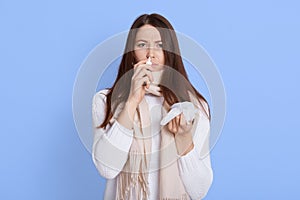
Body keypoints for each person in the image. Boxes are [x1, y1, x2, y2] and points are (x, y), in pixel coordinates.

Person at [92, 13, 213, 200]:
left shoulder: (194, 106)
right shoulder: (105, 101)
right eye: (141, 45)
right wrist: (132, 101)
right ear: (131, 53)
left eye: (160, 45)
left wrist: (184, 139)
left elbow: (199, 191)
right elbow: (107, 168)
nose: (151, 53)